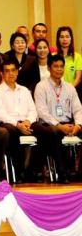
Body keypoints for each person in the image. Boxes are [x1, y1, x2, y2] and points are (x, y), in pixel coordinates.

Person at [34, 54, 82, 183]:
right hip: (49, 124)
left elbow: (78, 109)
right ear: (49, 68)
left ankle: (79, 172)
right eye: (55, 66)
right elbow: (42, 112)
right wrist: (59, 126)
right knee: (54, 133)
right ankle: (62, 172)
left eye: (61, 66)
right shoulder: (41, 86)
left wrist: (78, 125)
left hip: (68, 123)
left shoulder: (70, 88)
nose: (59, 69)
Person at [0, 60, 40, 182]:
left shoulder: (24, 90)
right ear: (2, 73)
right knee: (11, 131)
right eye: (7, 71)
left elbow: (33, 110)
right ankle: (18, 171)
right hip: (8, 124)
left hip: (27, 123)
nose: (11, 73)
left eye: (13, 70)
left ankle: (32, 170)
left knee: (44, 131)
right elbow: (0, 114)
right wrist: (18, 125)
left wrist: (28, 121)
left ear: (17, 72)